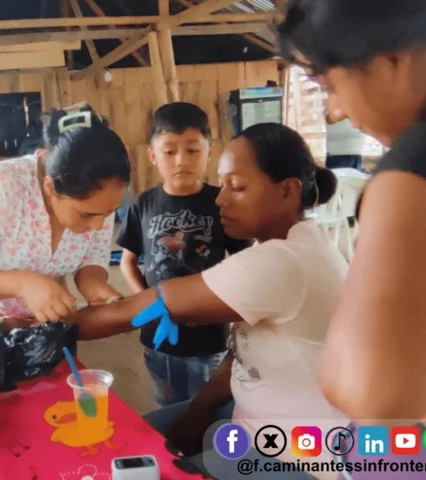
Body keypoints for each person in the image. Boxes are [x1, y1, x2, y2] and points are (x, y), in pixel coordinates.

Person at [66, 124, 346, 478]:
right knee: (130, 444)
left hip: (294, 459)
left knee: (129, 463)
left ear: (288, 191)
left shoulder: (282, 263)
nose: (220, 199)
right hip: (249, 418)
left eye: (238, 187)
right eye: (223, 183)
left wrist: (47, 330)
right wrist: (198, 410)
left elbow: (138, 309)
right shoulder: (296, 245)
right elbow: (246, 351)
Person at [278, 0, 426, 423]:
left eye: (330, 87)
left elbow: (368, 390)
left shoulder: (412, 166)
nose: (335, 110)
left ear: (393, 61)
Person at [0, 104, 128, 323]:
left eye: (109, 213)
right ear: (50, 188)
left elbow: (91, 258)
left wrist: (95, 287)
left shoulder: (99, 200)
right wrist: (22, 284)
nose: (99, 225)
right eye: (87, 215)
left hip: (43, 331)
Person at [118, 103, 251, 408]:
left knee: (206, 407)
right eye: (169, 152)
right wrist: (148, 302)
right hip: (158, 336)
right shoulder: (144, 203)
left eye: (192, 150)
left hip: (208, 338)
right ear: (152, 156)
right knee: (167, 403)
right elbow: (127, 261)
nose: (181, 161)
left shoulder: (222, 203)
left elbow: (245, 261)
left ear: (209, 151)